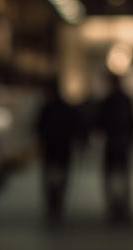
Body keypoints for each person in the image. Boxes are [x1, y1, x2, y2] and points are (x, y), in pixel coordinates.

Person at [96, 72, 133, 223]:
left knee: (110, 177)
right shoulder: (126, 100)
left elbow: (99, 123)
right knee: (124, 177)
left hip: (112, 144)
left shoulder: (107, 101)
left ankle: (113, 208)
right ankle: (123, 208)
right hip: (123, 144)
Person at [36, 79, 79, 223]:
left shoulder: (46, 108)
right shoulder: (66, 107)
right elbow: (74, 127)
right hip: (63, 147)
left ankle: (52, 202)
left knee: (49, 176)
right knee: (62, 176)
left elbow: (38, 128)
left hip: (51, 147)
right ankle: (58, 201)